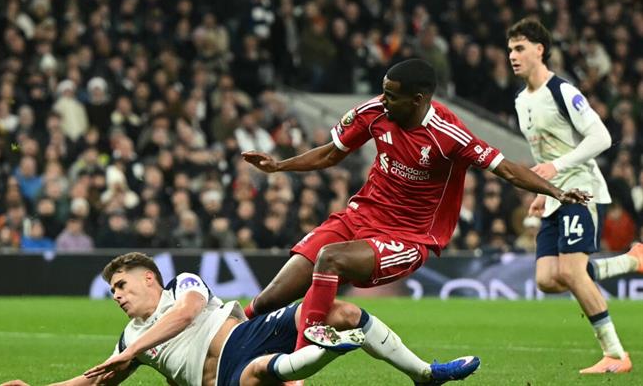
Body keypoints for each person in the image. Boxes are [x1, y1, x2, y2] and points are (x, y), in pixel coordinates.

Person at [241, 58, 591, 352]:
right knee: (269, 299)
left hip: (407, 236)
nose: (383, 101)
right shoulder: (374, 112)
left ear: (418, 100)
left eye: (392, 96)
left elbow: (508, 169)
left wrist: (555, 192)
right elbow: (332, 153)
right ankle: (226, 339)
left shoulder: (448, 135)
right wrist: (279, 165)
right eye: (383, 92)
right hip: (357, 217)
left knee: (329, 258)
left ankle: (300, 360)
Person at [1, 252, 480, 386]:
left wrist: (133, 351)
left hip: (248, 335)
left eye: (121, 285)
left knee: (343, 310)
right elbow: (96, 380)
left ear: (149, 278)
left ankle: (424, 373)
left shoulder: (182, 286)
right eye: (112, 292)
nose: (116, 296)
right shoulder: (129, 338)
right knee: (256, 374)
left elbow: (188, 313)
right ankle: (324, 350)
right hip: (229, 378)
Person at [507, 17, 643, 374]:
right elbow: (542, 154)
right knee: (547, 279)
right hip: (556, 195)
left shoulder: (562, 91)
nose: (512, 56)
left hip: (581, 189)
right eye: (510, 50)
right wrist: (543, 190)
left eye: (519, 48)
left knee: (571, 270)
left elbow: (601, 137)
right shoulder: (521, 101)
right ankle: (630, 261)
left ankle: (616, 355)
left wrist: (557, 167)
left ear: (540, 50)